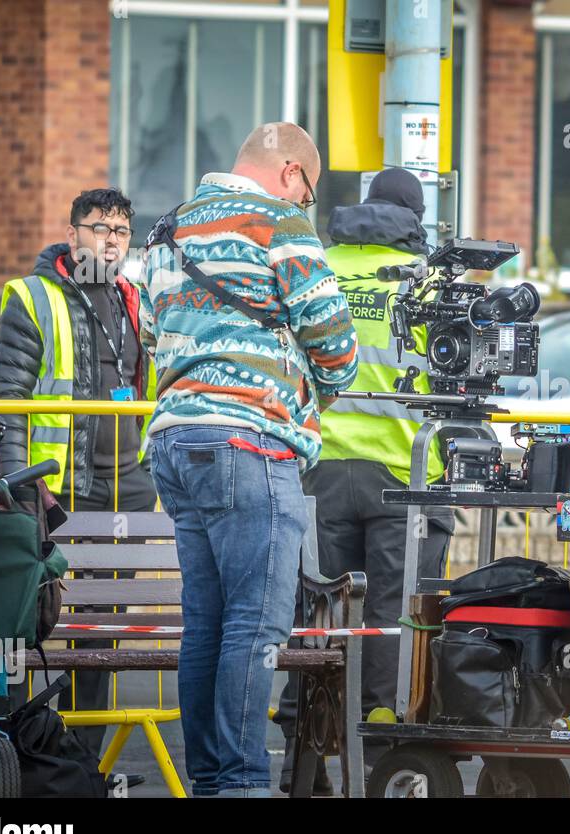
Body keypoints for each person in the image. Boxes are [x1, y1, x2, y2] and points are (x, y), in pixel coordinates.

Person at [139, 122, 358, 798]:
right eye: (310, 192)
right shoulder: (281, 225)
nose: (307, 206)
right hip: (252, 444)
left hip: (177, 442)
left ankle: (211, 776)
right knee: (255, 625)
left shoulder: (166, 231)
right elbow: (336, 343)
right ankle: (237, 783)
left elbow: (152, 333)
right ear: (291, 173)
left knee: (206, 620)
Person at [274, 168, 453, 793]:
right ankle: (381, 740)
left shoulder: (317, 265)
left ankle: (302, 731)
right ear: (415, 216)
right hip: (404, 470)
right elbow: (454, 377)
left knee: (317, 606)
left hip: (319, 466)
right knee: (392, 609)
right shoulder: (429, 279)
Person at [0, 187, 157, 756]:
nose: (109, 241)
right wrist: (19, 488)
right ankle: (23, 753)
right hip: (60, 494)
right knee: (32, 622)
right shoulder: (34, 298)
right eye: (98, 228)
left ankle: (84, 762)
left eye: (120, 232)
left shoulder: (134, 299)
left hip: (127, 494)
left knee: (99, 634)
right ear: (73, 235)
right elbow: (8, 401)